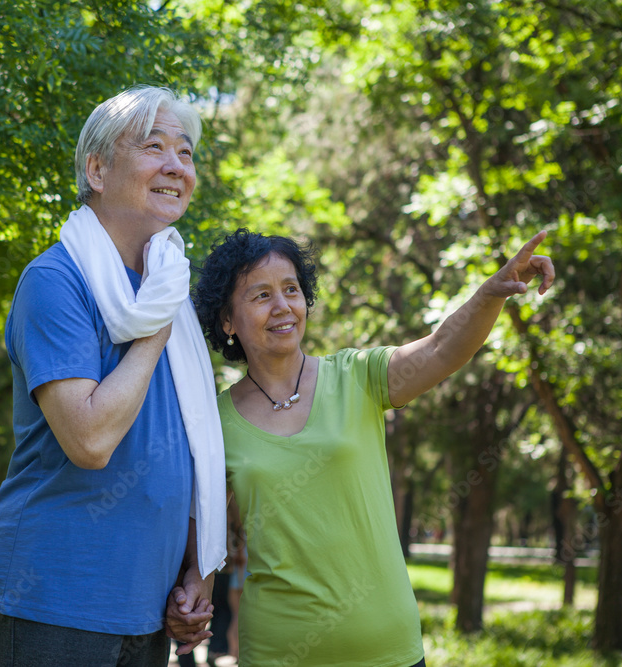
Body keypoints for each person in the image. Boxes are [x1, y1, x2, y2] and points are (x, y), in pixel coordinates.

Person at [193, 229, 555, 667]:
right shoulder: (216, 421)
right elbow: (203, 524)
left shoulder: (357, 376)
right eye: (261, 295)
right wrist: (194, 591)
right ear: (227, 320)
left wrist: (492, 292)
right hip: (277, 653)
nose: (283, 306)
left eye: (291, 289)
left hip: (389, 650)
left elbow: (441, 349)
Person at [0, 86, 228, 667]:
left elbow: (188, 448)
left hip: (145, 607)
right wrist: (152, 337)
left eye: (185, 153)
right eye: (154, 146)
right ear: (96, 168)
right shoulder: (56, 281)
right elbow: (89, 441)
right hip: (50, 600)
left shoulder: (166, 287)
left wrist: (198, 570)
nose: (176, 166)